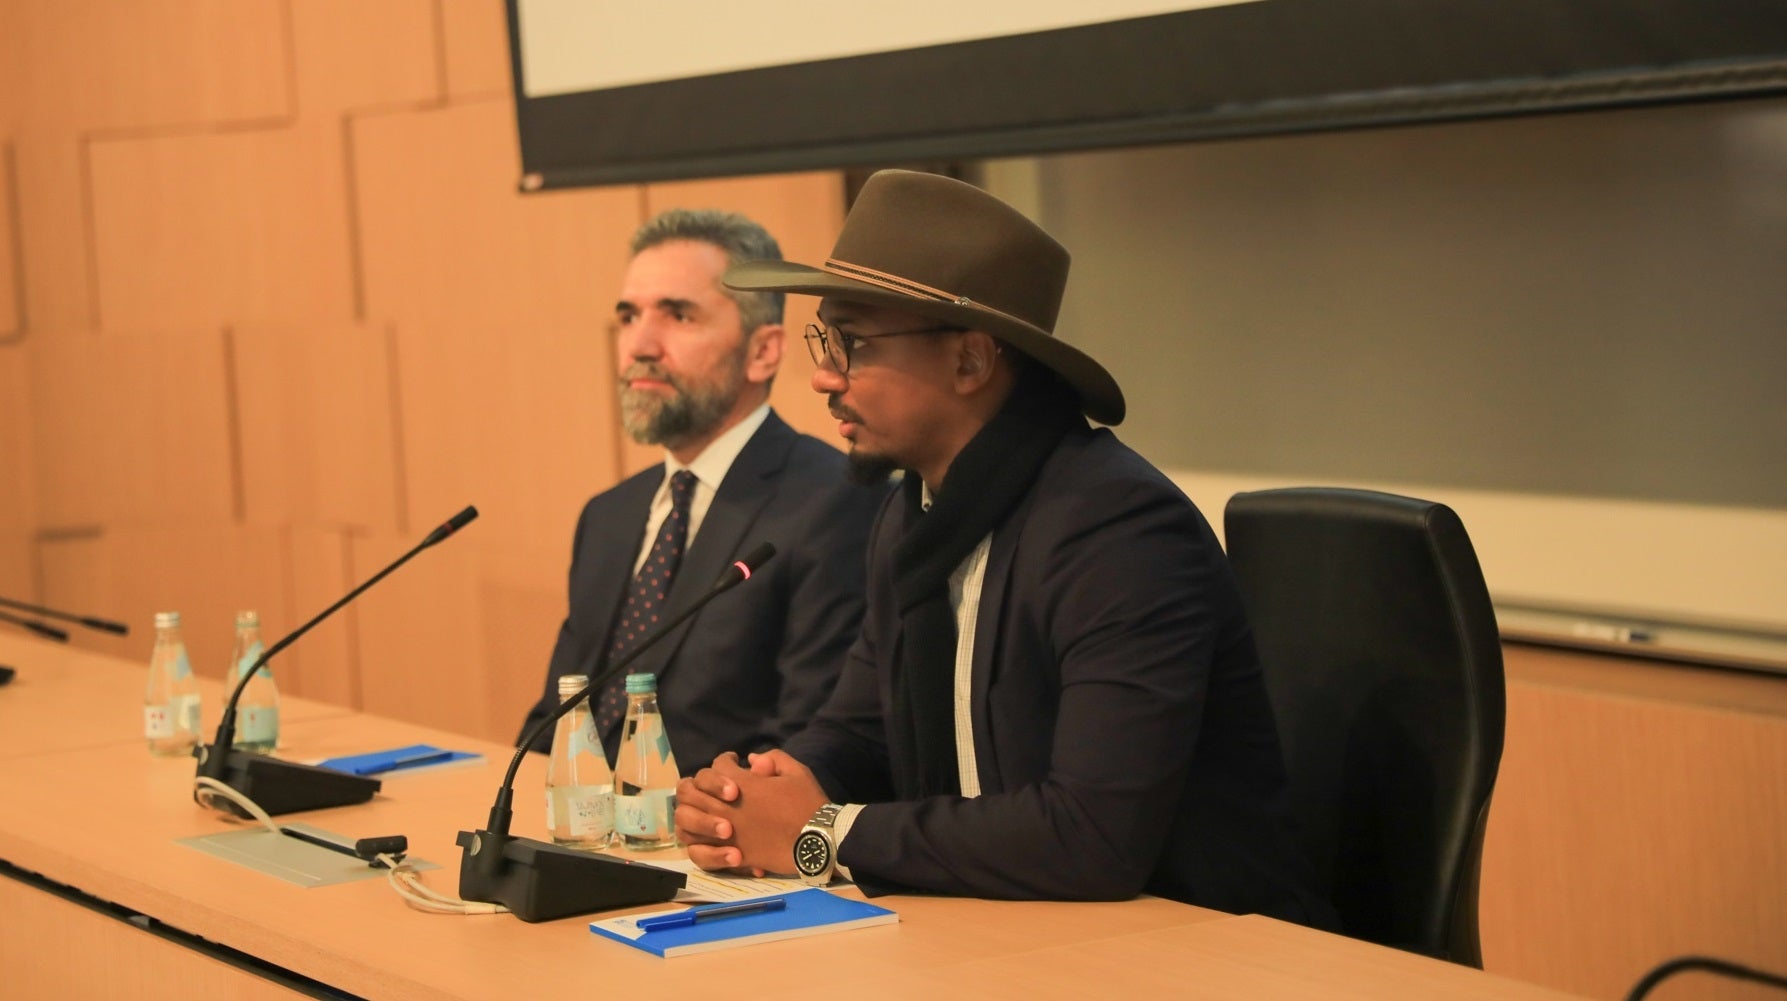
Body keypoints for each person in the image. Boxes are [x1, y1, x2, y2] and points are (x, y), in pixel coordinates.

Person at [674, 171, 1336, 926]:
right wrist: (761, 790)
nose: (824, 376)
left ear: (970, 361)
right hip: (1012, 930)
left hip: (1199, 948)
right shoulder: (911, 513)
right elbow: (863, 729)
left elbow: (1091, 835)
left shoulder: (1116, 529)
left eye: (852, 343)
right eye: (823, 338)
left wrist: (821, 832)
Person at [519, 209, 887, 772]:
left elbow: (809, 743)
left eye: (679, 316)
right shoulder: (609, 516)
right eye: (628, 316)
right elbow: (556, 721)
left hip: (712, 844)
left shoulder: (833, 503)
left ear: (763, 351)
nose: (640, 345)